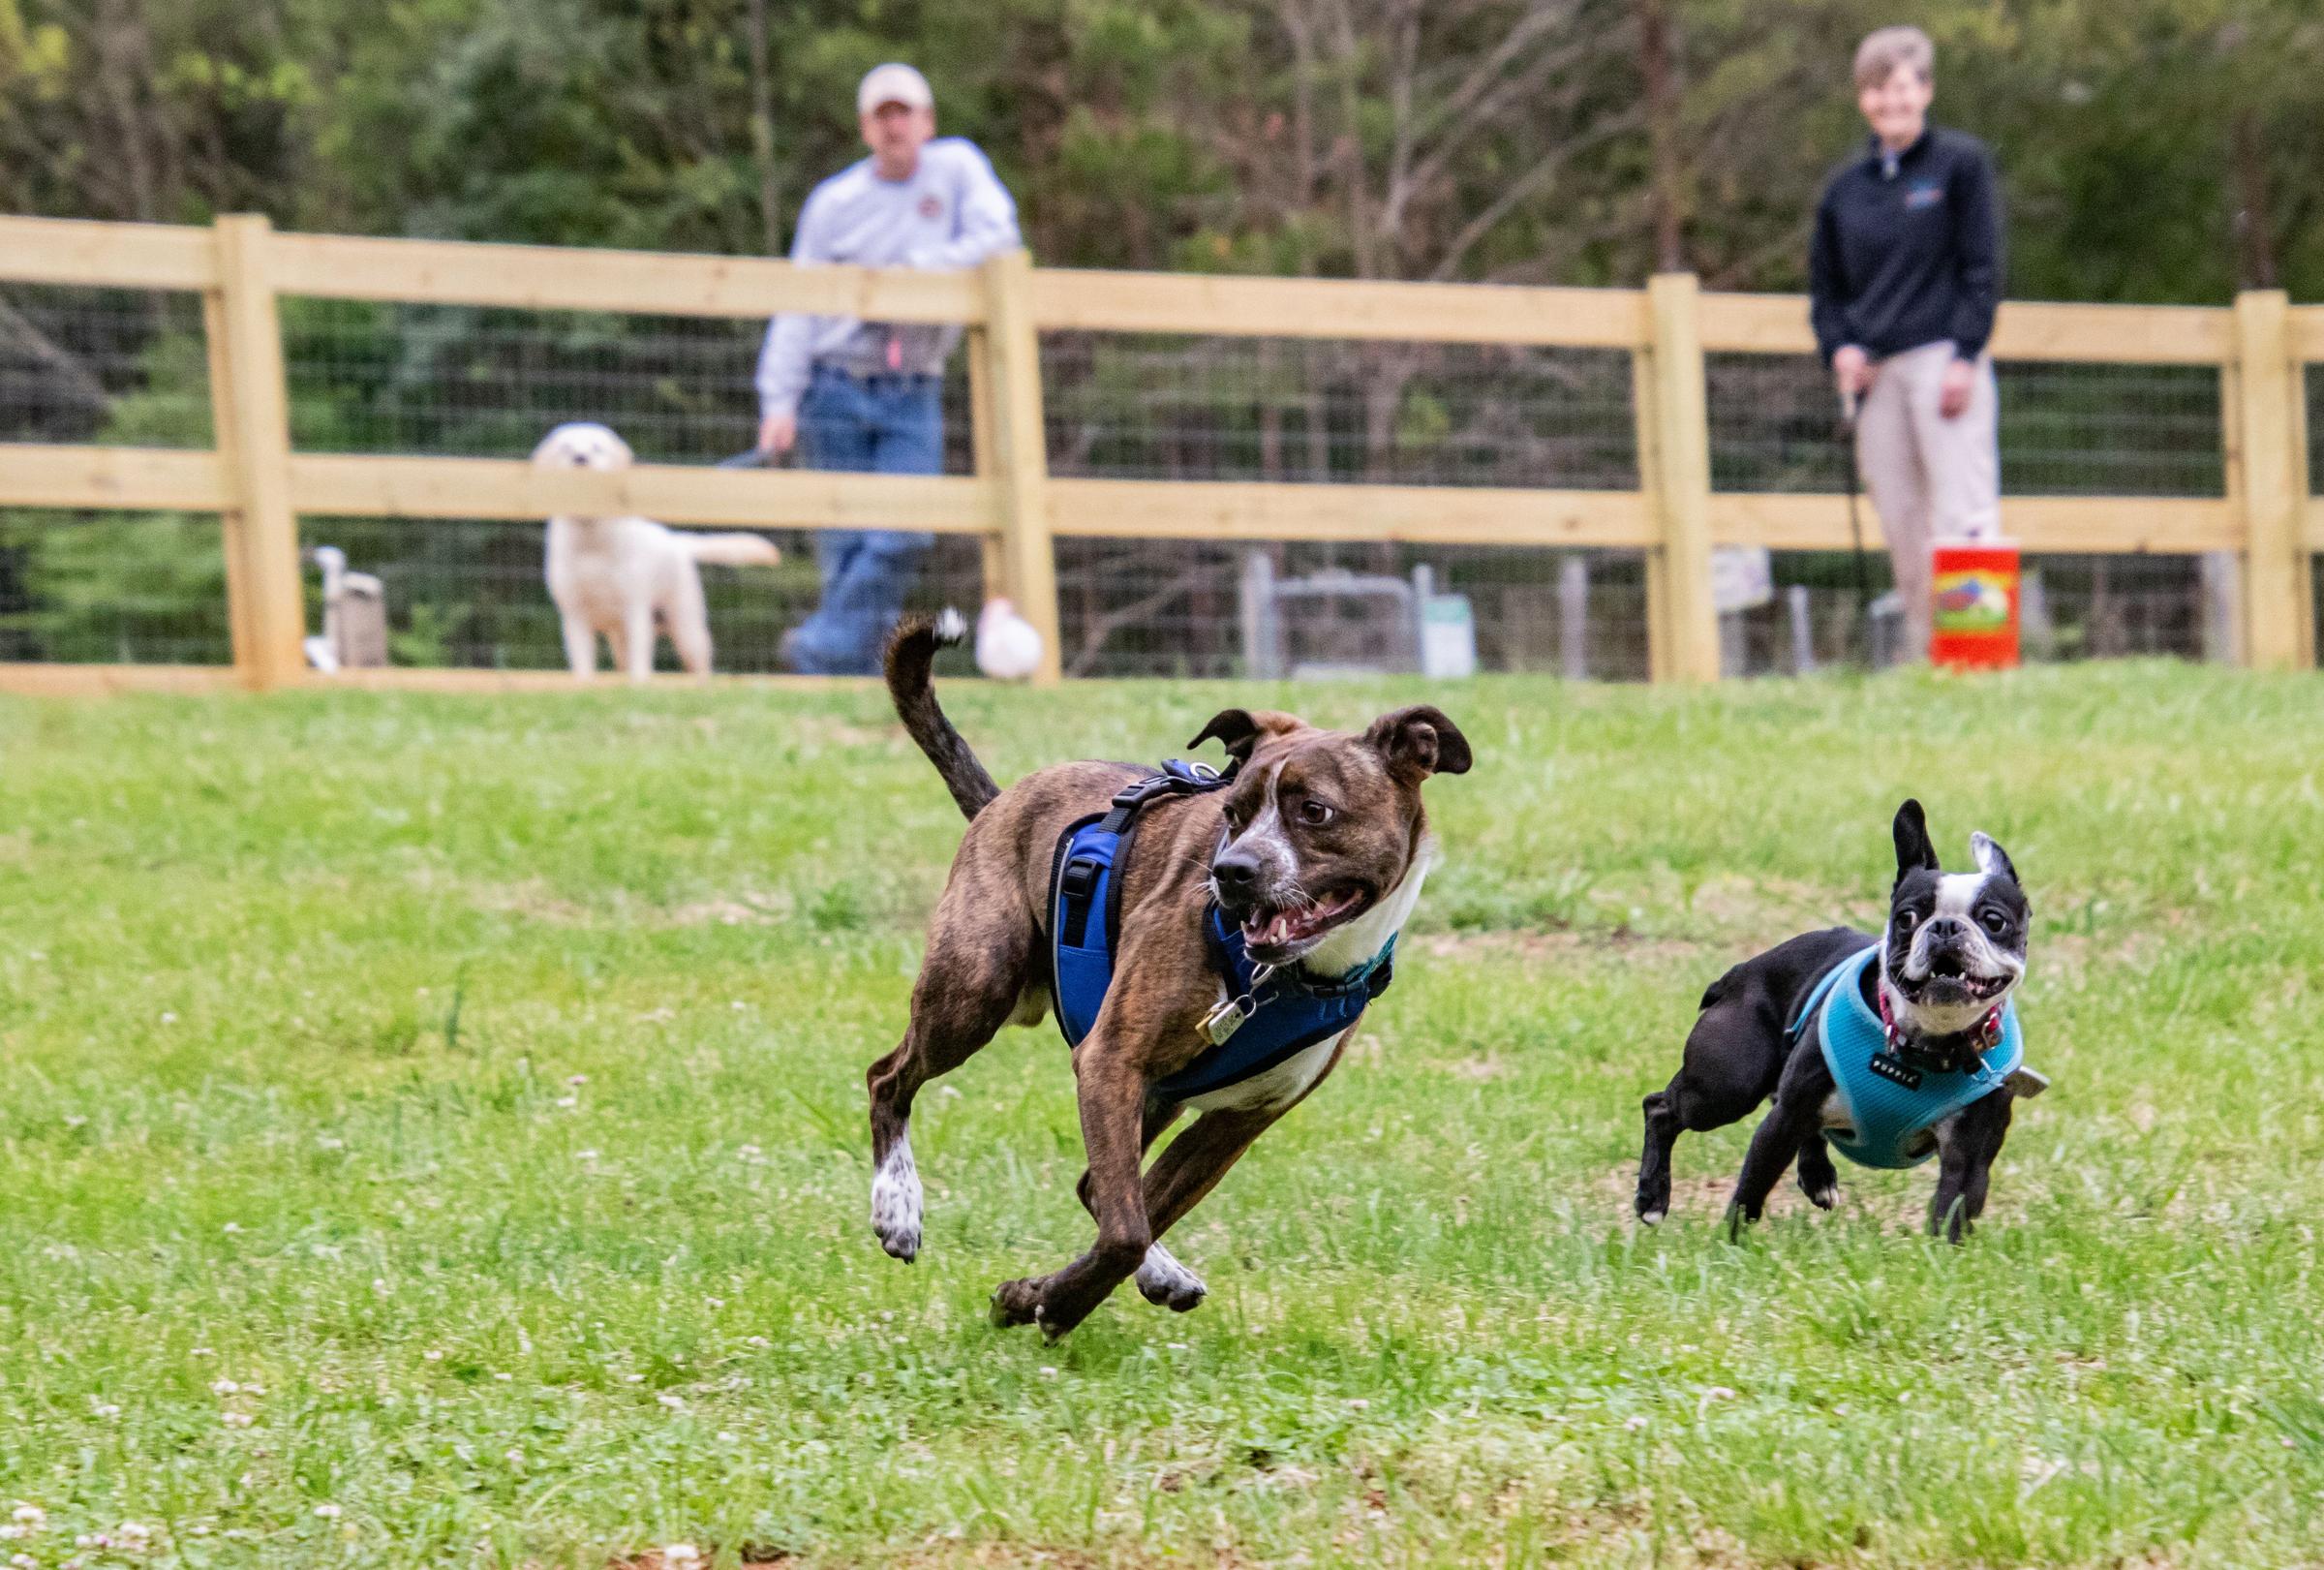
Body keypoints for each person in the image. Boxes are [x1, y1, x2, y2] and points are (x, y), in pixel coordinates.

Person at [756, 63, 1022, 674]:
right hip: (835, 383)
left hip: (914, 387)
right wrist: (779, 400)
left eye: (905, 112)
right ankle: (851, 679)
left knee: (903, 535)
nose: (895, 125)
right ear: (865, 129)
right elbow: (797, 306)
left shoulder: (957, 169)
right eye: (883, 115)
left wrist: (918, 272)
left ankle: (819, 649)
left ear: (927, 121)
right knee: (844, 547)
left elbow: (1000, 238)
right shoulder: (835, 202)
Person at [1809, 25, 2003, 660]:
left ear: (1924, 90)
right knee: (1902, 520)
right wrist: (1840, 347)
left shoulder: (1960, 167)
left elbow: (1983, 269)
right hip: (1877, 376)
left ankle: (1977, 660)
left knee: (1962, 516)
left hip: (1944, 362)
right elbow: (1827, 292)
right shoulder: (1844, 192)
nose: (1890, 101)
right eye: (1876, 89)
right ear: (1863, 99)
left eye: (1900, 87)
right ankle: (1930, 658)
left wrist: (1966, 356)